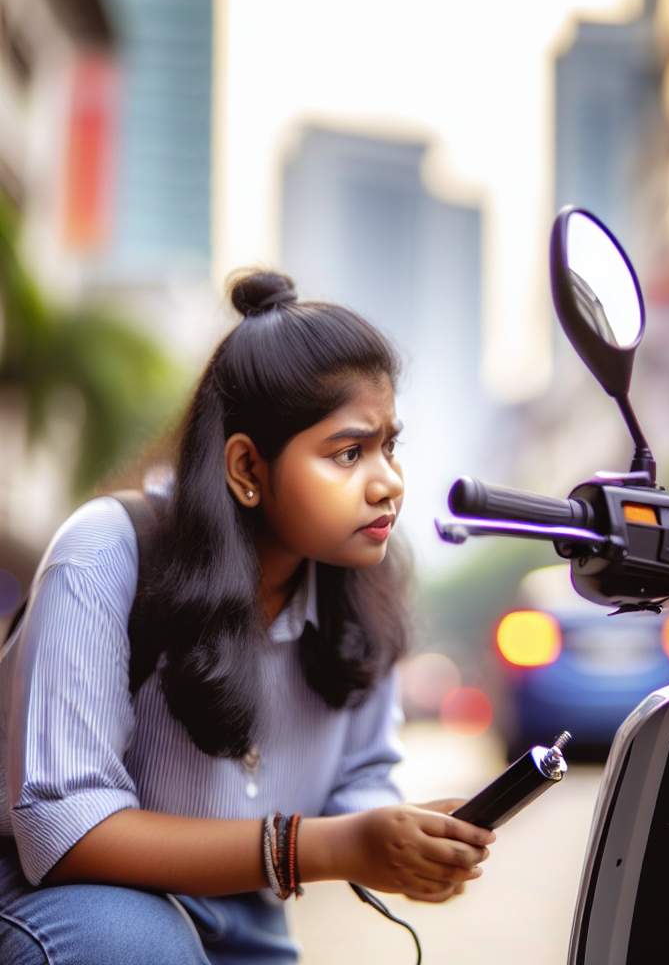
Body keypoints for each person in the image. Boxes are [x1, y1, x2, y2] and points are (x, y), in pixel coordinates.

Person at [0, 271, 495, 963]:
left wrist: (403, 841)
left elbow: (363, 772)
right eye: (349, 452)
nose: (387, 482)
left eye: (389, 446)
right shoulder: (106, 554)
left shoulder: (364, 585)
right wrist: (315, 846)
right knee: (139, 945)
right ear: (246, 468)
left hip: (244, 917)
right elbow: (62, 831)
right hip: (58, 899)